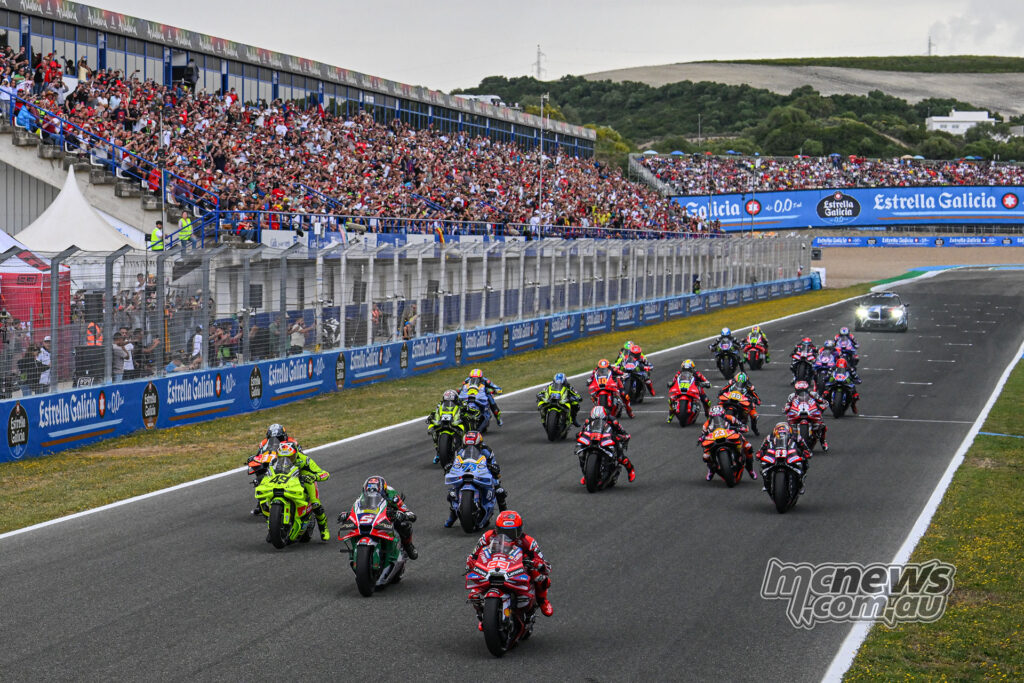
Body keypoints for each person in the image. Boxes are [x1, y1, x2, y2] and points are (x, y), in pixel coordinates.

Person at [465, 510, 553, 622]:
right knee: (474, 594)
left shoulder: (528, 541)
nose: (506, 536)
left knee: (541, 578)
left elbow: (546, 566)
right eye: (502, 532)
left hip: (519, 567)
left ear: (519, 531)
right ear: (497, 529)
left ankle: (542, 600)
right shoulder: (487, 536)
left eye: (511, 532)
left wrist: (538, 564)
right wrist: (471, 562)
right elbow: (473, 555)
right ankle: (481, 613)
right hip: (493, 566)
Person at [445, 431, 508, 525]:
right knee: (452, 493)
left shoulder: (487, 451)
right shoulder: (459, 451)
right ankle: (452, 517)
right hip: (465, 472)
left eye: (474, 446)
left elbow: (494, 463)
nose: (470, 448)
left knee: (499, 491)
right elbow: (455, 462)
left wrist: (494, 467)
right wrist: (449, 466)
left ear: (480, 444)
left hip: (482, 472)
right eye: (467, 446)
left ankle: (505, 515)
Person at [354, 476, 417, 558]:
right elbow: (356, 508)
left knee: (404, 525)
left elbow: (405, 509)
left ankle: (408, 545)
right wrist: (348, 515)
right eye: (369, 493)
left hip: (389, 516)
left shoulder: (392, 495)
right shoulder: (362, 496)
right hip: (371, 517)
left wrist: (404, 514)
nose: (371, 494)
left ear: (383, 490)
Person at [576, 406, 635, 483]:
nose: (597, 421)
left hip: (609, 438)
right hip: (594, 438)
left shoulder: (613, 421)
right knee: (582, 454)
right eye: (594, 419)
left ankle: (630, 470)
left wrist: (623, 436)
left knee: (620, 457)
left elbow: (622, 431)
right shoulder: (588, 420)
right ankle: (587, 474)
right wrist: (580, 434)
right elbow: (583, 430)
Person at [698, 405, 755, 481]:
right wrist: (701, 437)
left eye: (720, 416)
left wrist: (741, 427)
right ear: (710, 417)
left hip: (731, 436)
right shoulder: (706, 424)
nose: (717, 419)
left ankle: (750, 469)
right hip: (715, 439)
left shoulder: (731, 418)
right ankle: (711, 470)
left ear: (723, 415)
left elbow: (741, 425)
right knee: (706, 456)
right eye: (714, 417)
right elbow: (703, 434)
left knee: (748, 446)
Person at [757, 422, 813, 494]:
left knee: (804, 461)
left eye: (783, 431)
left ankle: (801, 483)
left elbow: (805, 447)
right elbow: (762, 447)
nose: (781, 433)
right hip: (774, 456)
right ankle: (767, 483)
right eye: (779, 431)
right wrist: (760, 453)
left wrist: (806, 452)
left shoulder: (796, 436)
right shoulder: (769, 437)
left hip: (791, 455)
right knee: (763, 465)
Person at [785, 380, 830, 451]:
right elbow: (787, 405)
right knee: (786, 427)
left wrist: (822, 406)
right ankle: (787, 443)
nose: (801, 392)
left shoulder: (814, 394)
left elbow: (824, 402)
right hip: (797, 412)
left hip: (811, 411)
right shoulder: (792, 396)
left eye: (803, 390)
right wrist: (786, 408)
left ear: (807, 389)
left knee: (822, 426)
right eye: (799, 391)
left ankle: (823, 442)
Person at [426, 389, 465, 463]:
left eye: (451, 399)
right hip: (443, 422)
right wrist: (431, 416)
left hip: (456, 421)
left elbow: (469, 408)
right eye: (447, 400)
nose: (449, 402)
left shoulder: (461, 403)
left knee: (467, 426)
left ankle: (465, 450)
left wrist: (467, 412)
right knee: (434, 431)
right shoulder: (440, 404)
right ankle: (438, 452)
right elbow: (436, 411)